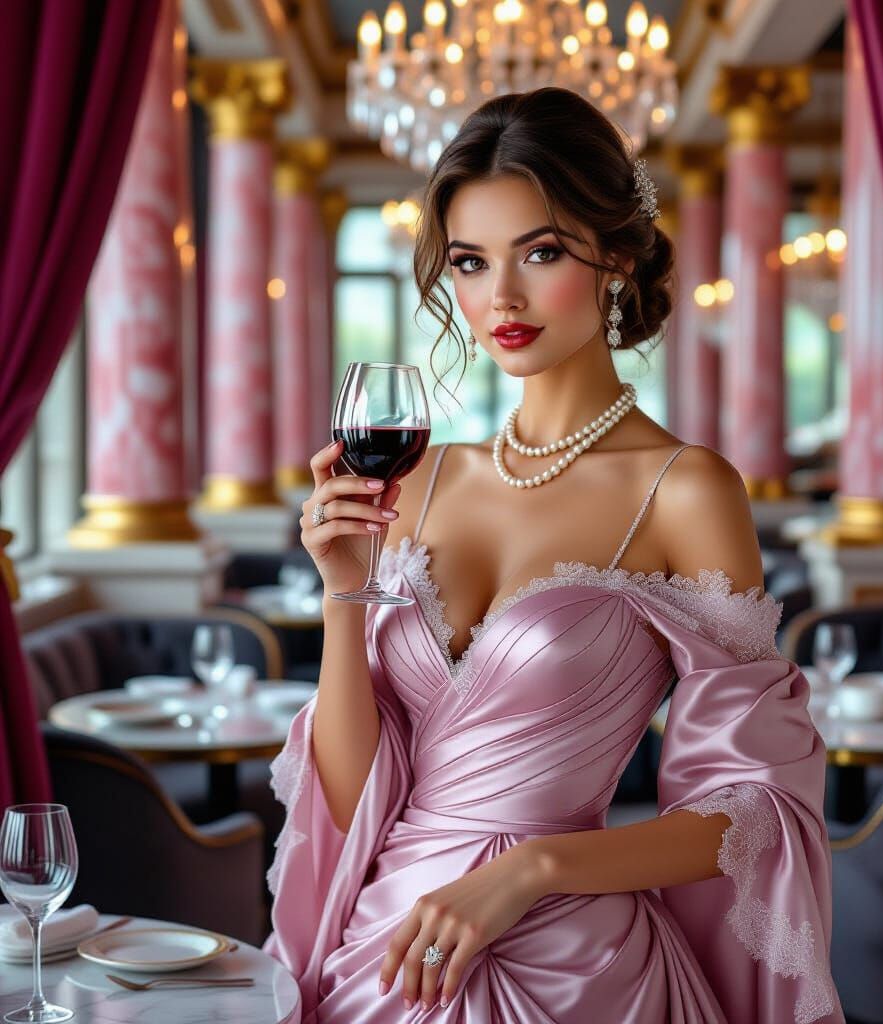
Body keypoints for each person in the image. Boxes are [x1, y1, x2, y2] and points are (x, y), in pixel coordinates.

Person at [264, 86, 843, 1023]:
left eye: (540, 252)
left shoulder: (687, 490)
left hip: (577, 966)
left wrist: (532, 869)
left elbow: (754, 807)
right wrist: (343, 594)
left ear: (616, 255)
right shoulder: (421, 480)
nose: (502, 299)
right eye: (470, 262)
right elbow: (348, 792)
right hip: (383, 953)